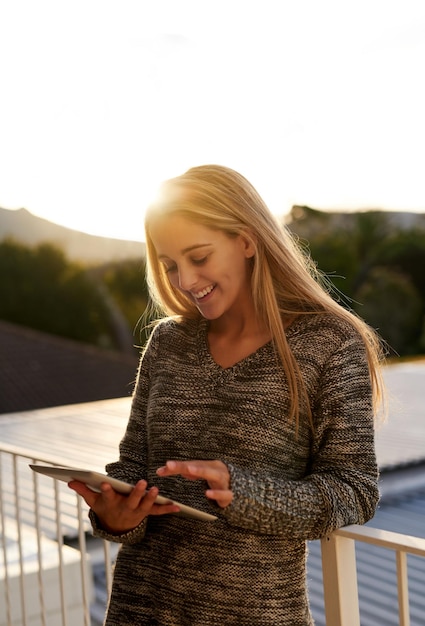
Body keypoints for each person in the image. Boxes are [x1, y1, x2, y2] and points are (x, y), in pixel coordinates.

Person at [69, 164, 386, 625]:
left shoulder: (329, 344)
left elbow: (355, 490)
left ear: (247, 240)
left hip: (254, 614)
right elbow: (133, 467)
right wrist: (117, 517)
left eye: (198, 257)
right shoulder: (167, 342)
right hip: (140, 609)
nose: (183, 281)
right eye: (170, 265)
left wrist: (243, 491)